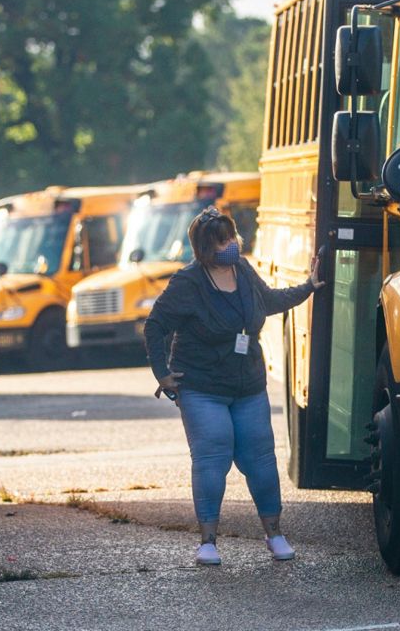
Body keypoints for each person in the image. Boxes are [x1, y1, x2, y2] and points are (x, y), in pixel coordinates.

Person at [144, 206, 324, 566]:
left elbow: (269, 301)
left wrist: (309, 287)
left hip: (248, 385)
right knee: (212, 455)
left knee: (260, 459)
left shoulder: (241, 270)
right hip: (201, 386)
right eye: (220, 241)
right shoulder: (188, 282)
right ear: (203, 249)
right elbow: (155, 326)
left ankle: (275, 534)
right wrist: (162, 374)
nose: (230, 244)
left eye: (230, 237)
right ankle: (207, 542)